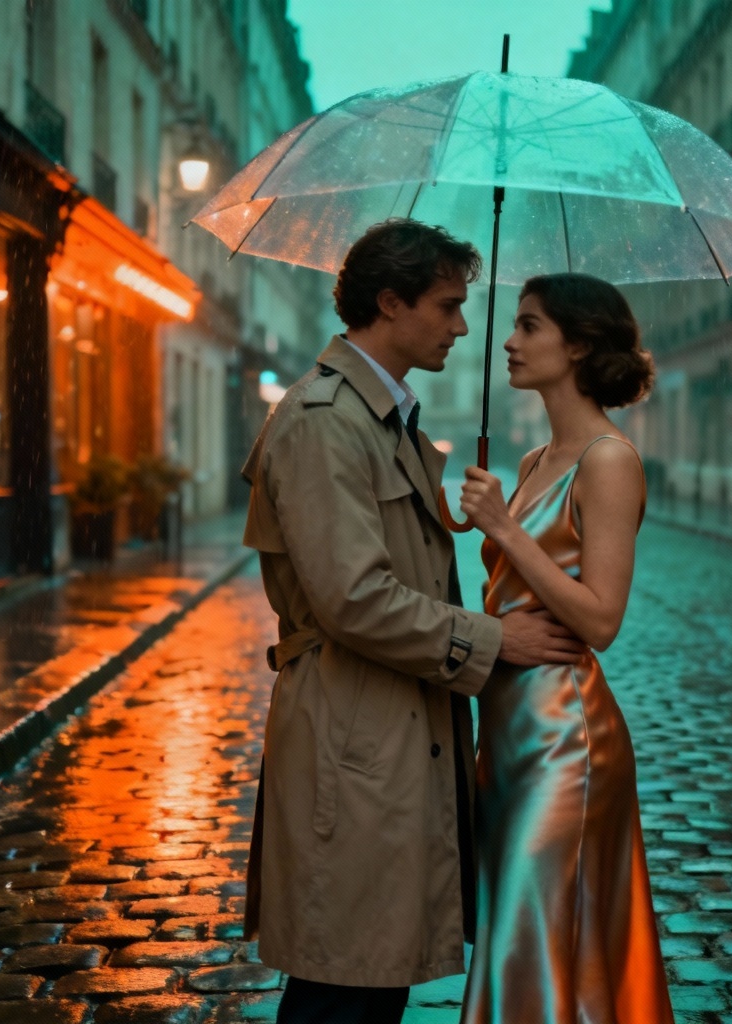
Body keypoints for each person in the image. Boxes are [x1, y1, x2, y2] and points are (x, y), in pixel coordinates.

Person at [240, 219, 587, 1024]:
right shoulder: (327, 419)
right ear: (391, 303)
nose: (463, 327)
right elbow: (355, 598)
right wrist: (497, 641)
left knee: (367, 975)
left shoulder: (381, 418)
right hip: (353, 737)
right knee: (343, 986)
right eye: (447, 305)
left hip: (387, 729)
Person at [458, 273, 675, 1023]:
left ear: (578, 344)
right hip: (505, 732)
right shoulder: (531, 463)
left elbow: (602, 619)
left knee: (533, 931)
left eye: (529, 326)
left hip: (565, 740)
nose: (509, 342)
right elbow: (511, 592)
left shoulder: (609, 460)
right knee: (526, 933)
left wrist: (504, 528)